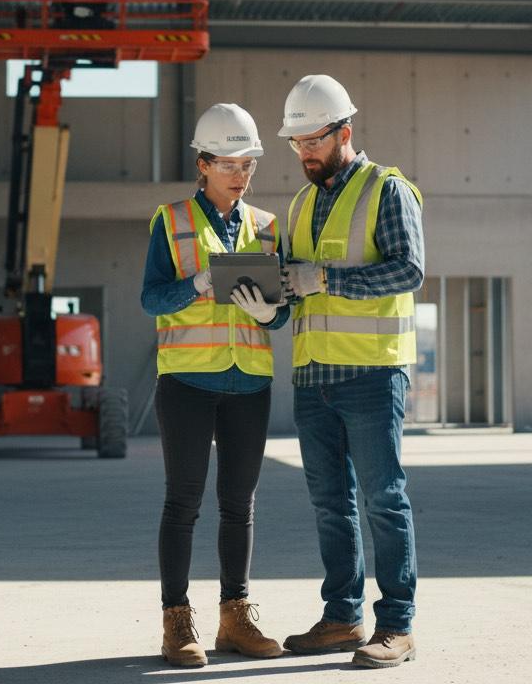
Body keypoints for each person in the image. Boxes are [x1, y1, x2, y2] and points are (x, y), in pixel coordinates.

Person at [275, 75, 425, 669]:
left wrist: (327, 278)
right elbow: (298, 287)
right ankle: (342, 617)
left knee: (384, 500)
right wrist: (272, 301)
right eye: (296, 143)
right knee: (329, 503)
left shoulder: (387, 189)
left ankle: (397, 625)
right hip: (313, 377)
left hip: (371, 373)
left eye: (313, 139)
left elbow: (408, 271)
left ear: (344, 132)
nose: (305, 152)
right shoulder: (301, 203)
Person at [140, 103, 290, 667]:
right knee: (183, 501)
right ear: (202, 164)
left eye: (247, 162)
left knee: (239, 504)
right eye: (227, 162)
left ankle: (236, 616)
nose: (240, 173)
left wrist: (265, 312)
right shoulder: (171, 220)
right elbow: (152, 298)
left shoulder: (268, 228)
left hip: (248, 381)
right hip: (187, 382)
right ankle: (176, 622)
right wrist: (195, 284)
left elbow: (279, 317)